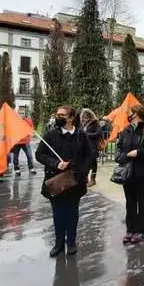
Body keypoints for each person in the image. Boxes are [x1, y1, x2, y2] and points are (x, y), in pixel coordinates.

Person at [35, 106, 93, 258]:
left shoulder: (81, 135)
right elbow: (39, 154)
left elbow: (89, 155)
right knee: (58, 214)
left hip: (75, 182)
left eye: (62, 115)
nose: (58, 117)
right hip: (56, 182)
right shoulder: (50, 135)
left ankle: (71, 242)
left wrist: (83, 171)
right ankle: (59, 243)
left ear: (71, 118)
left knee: (72, 213)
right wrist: (56, 164)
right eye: (57, 114)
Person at [116, 104, 144, 244]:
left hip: (143, 172)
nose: (128, 115)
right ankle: (130, 229)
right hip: (128, 172)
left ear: (137, 114)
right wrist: (122, 156)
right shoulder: (126, 130)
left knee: (142, 200)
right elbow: (119, 148)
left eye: (130, 113)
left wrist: (138, 153)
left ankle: (140, 230)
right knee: (130, 201)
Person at [79, 108, 102, 187]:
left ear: (90, 115)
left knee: (93, 163)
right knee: (85, 163)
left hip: (92, 147)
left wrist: (86, 134)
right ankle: (86, 178)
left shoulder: (95, 123)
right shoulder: (82, 124)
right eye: (83, 116)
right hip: (84, 147)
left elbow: (99, 134)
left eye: (86, 116)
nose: (84, 117)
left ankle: (93, 179)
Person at [12, 108, 37, 177]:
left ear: (24, 114)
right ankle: (17, 169)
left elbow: (31, 130)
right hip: (17, 142)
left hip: (26, 141)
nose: (21, 115)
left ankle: (31, 168)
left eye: (22, 113)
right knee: (15, 156)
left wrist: (32, 133)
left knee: (29, 155)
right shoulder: (14, 121)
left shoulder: (28, 120)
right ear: (17, 114)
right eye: (20, 113)